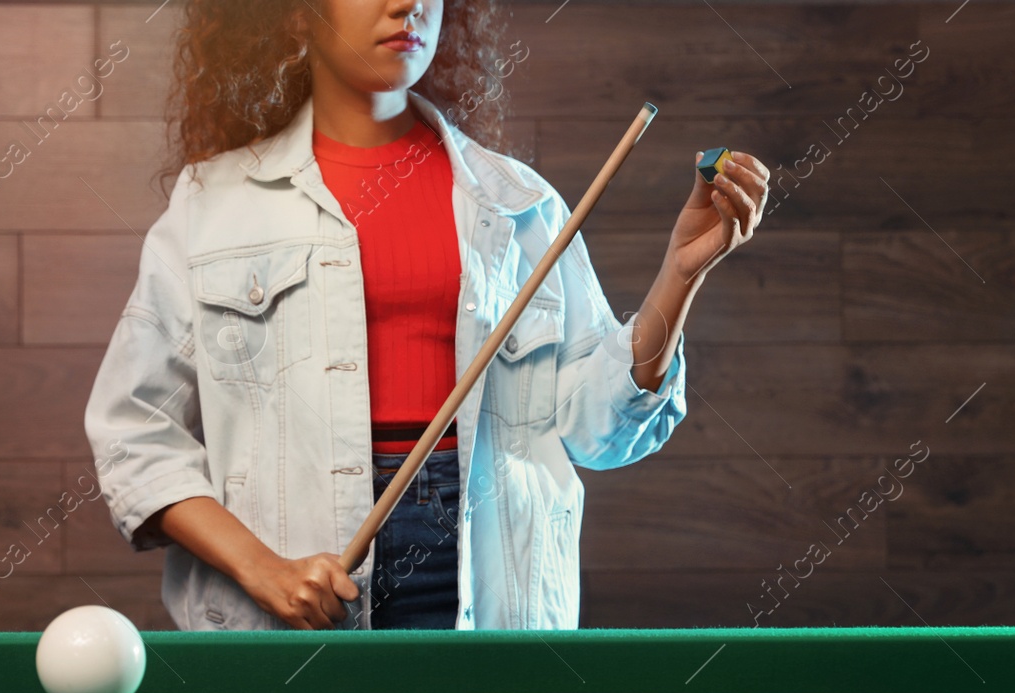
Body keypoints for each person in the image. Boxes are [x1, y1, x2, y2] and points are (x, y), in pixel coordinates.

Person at [84, 0, 768, 632]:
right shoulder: (212, 204)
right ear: (294, 15)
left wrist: (679, 274)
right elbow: (135, 433)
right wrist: (262, 568)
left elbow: (599, 433)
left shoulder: (522, 205)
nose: (407, 2)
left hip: (490, 572)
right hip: (298, 597)